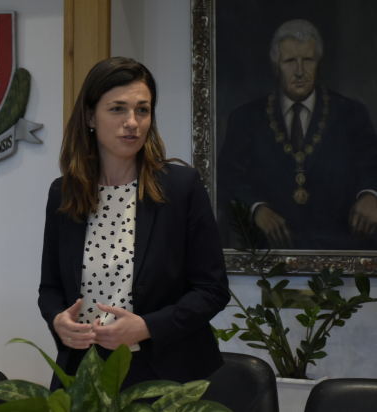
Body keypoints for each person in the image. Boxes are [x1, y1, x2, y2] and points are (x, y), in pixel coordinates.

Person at [38, 57, 230, 391]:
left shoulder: (181, 187)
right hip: (82, 369)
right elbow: (50, 288)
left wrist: (146, 327)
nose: (132, 122)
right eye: (117, 109)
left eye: (142, 110)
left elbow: (212, 290)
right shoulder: (64, 192)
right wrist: (58, 320)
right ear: (90, 117)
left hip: (162, 373)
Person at [217, 19, 377, 250]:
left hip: (341, 248)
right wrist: (256, 208)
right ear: (275, 67)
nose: (300, 71)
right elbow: (228, 178)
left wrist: (371, 194)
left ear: (319, 63)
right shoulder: (246, 119)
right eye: (290, 61)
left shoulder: (351, 114)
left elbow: (371, 164)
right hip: (269, 250)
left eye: (308, 60)